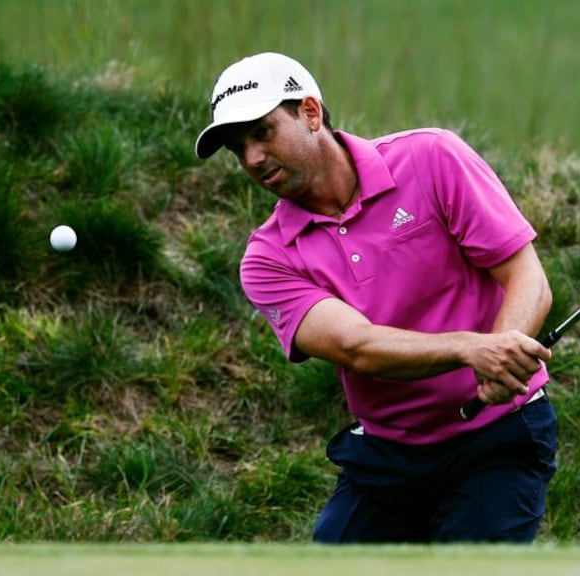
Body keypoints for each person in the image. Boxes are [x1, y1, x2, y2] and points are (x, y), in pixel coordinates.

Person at [194, 52, 556, 543]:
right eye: (238, 149)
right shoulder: (267, 258)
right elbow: (356, 347)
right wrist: (470, 349)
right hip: (389, 455)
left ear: (311, 113)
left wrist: (505, 351)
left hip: (497, 439)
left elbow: (526, 275)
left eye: (262, 132)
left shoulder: (432, 158)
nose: (253, 159)